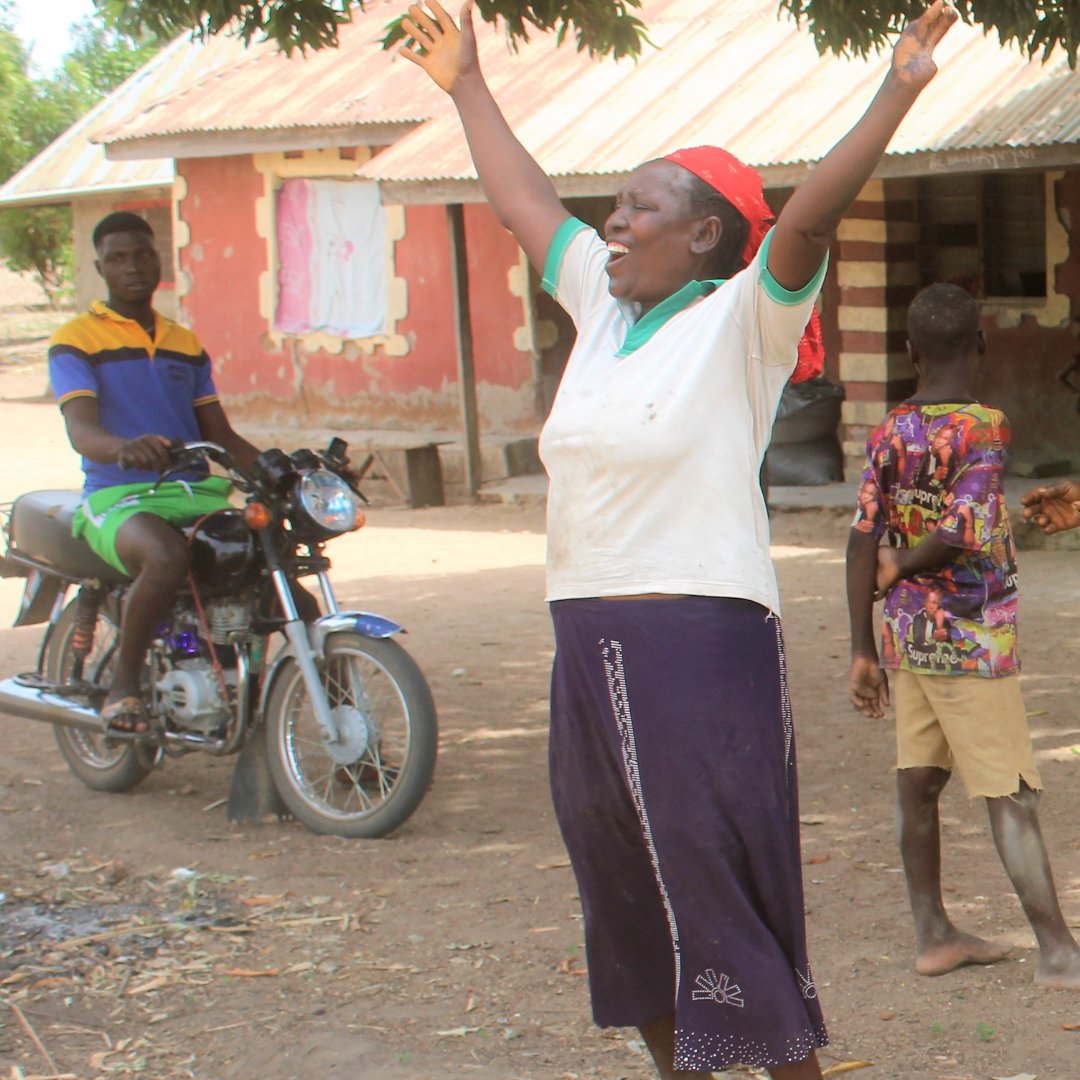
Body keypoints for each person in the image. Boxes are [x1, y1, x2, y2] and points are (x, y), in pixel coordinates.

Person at [399, 2, 955, 1076]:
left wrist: (897, 91)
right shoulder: (600, 310)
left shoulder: (742, 318)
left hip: (699, 641)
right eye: (613, 205)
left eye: (637, 206)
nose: (611, 221)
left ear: (702, 232)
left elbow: (805, 223)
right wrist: (467, 82)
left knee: (718, 883)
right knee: (621, 886)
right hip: (585, 638)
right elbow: (521, 202)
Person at [847, 282, 1080, 991]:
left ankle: (935, 936)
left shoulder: (888, 430)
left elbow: (863, 540)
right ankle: (1060, 952)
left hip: (909, 639)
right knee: (1010, 791)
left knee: (917, 782)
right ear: (981, 343)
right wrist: (903, 563)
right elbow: (956, 533)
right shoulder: (985, 426)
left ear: (910, 349)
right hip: (972, 642)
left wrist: (862, 646)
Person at [49, 211, 264, 739]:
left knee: (277, 575)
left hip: (193, 492)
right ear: (100, 266)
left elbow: (224, 437)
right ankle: (123, 686)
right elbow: (82, 430)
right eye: (118, 257)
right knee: (165, 556)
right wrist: (126, 448)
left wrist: (286, 467)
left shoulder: (184, 344)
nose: (133, 266)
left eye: (143, 254)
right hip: (118, 496)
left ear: (159, 261)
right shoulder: (76, 340)